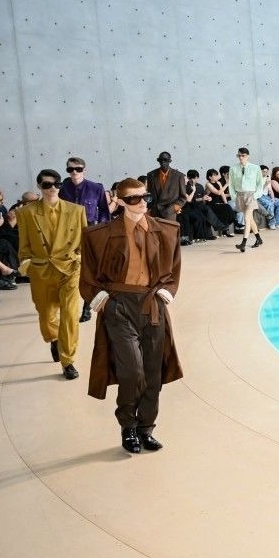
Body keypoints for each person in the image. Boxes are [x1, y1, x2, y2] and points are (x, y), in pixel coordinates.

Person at [80, 177, 183, 454]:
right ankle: (128, 425)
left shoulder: (167, 230)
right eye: (134, 199)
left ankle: (146, 428)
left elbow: (173, 269)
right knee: (131, 371)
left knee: (152, 372)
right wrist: (103, 300)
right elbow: (87, 275)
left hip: (153, 306)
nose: (142, 203)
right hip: (119, 306)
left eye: (145, 197)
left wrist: (167, 291)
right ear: (120, 201)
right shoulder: (97, 236)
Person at [17, 169, 87, 379]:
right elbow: (24, 245)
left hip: (70, 268)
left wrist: (81, 259)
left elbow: (84, 241)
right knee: (46, 316)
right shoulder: (26, 213)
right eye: (47, 185)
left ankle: (68, 361)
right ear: (39, 186)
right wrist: (27, 263)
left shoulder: (77, 210)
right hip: (42, 270)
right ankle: (54, 339)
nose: (53, 188)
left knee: (70, 315)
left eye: (57, 184)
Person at [228, 148, 265, 252]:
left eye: (243, 155)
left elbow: (260, 183)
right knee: (250, 219)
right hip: (239, 195)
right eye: (239, 155)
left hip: (251, 195)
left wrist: (256, 195)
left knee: (247, 218)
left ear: (247, 156)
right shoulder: (233, 168)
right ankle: (259, 239)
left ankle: (243, 243)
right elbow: (231, 184)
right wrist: (234, 196)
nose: (241, 157)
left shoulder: (255, 168)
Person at [58, 157, 112, 226]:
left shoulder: (96, 188)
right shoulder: (61, 189)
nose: (74, 172)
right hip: (67, 228)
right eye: (70, 169)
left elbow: (104, 210)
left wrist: (101, 227)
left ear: (84, 170)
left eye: (78, 169)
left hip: (89, 228)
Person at [145, 151, 188, 221]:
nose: (163, 162)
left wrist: (174, 208)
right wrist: (149, 209)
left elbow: (183, 197)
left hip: (169, 212)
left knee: (169, 228)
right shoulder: (151, 175)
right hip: (154, 212)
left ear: (170, 161)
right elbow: (150, 194)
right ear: (158, 160)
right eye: (160, 160)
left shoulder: (179, 176)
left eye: (165, 160)